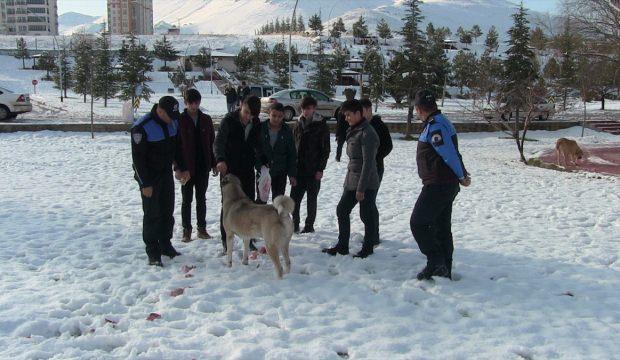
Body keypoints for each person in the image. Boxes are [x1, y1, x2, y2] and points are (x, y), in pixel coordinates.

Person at [410, 90, 470, 280]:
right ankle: (444, 268)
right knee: (441, 227)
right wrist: (461, 172)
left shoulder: (435, 126)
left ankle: (435, 261)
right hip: (444, 183)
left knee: (418, 223)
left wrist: (462, 175)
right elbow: (452, 151)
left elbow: (448, 153)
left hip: (438, 184)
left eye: (415, 110)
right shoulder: (440, 121)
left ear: (419, 109)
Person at [131, 96, 188, 267]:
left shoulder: (173, 123)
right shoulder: (142, 127)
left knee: (167, 210)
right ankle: (153, 251)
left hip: (165, 174)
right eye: (170, 115)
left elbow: (177, 148)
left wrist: (180, 167)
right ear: (160, 110)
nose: (173, 119)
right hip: (150, 177)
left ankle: (165, 244)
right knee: (152, 214)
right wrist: (144, 184)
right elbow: (138, 160)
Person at [322, 99, 380, 258]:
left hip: (366, 182)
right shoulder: (355, 129)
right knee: (342, 210)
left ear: (358, 113)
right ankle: (342, 246)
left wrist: (361, 188)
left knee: (367, 215)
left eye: (348, 115)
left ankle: (367, 249)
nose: (346, 118)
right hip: (352, 179)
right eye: (345, 115)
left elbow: (368, 163)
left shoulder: (367, 133)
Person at [214, 95, 262, 252]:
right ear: (241, 105)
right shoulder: (229, 120)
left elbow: (258, 145)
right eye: (246, 112)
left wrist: (262, 162)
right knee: (228, 205)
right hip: (229, 169)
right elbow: (219, 142)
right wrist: (220, 159)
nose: (248, 116)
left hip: (247, 168)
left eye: (251, 114)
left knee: (249, 204)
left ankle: (249, 238)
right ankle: (225, 239)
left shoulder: (255, 123)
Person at [178, 89, 217, 243]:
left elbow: (211, 142)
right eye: (191, 103)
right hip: (187, 167)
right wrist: (179, 168)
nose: (194, 106)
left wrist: (213, 162)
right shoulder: (180, 120)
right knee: (186, 200)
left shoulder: (206, 119)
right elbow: (177, 146)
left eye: (197, 103)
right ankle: (186, 230)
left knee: (201, 198)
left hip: (203, 166)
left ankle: (202, 228)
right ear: (186, 103)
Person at [290, 96, 330, 234]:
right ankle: (294, 224)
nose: (306, 111)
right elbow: (292, 147)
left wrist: (320, 168)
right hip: (298, 169)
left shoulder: (321, 124)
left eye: (309, 108)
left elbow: (326, 149)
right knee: (294, 200)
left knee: (311, 200)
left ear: (314, 108)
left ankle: (309, 226)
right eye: (304, 108)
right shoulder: (297, 123)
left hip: (313, 169)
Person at [255, 102, 297, 203]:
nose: (276, 119)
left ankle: (275, 219)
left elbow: (292, 153)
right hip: (264, 170)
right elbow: (255, 148)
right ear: (269, 113)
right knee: (261, 200)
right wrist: (259, 164)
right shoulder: (261, 128)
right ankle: (261, 219)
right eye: (274, 115)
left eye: (280, 116)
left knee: (278, 203)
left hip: (280, 172)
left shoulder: (286, 130)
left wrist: (292, 174)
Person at [360, 98, 393, 184]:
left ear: (368, 109)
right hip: (359, 168)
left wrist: (374, 157)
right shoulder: (359, 126)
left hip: (375, 168)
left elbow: (388, 146)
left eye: (361, 110)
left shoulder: (380, 126)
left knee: (369, 196)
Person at [335, 88, 356, 162]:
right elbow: (340, 120)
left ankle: (352, 158)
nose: (348, 96)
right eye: (347, 95)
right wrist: (338, 133)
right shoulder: (343, 105)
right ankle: (338, 157)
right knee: (340, 145)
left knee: (352, 146)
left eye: (349, 94)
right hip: (343, 130)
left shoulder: (356, 104)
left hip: (352, 129)